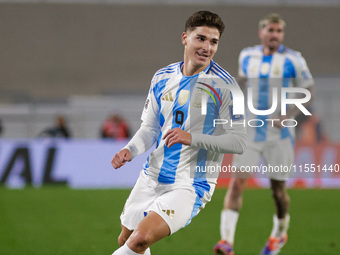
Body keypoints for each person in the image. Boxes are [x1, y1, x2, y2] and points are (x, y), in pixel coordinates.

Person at [110, 11, 247, 255]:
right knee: (127, 240)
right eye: (201, 39)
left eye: (213, 42)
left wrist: (191, 138)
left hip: (191, 183)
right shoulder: (162, 77)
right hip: (152, 175)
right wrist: (129, 150)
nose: (207, 47)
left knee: (139, 240)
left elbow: (239, 141)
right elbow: (149, 128)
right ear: (185, 38)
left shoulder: (227, 87)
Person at [213, 13, 314, 255]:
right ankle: (226, 241)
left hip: (279, 135)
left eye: (279, 31)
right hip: (249, 131)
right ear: (261, 33)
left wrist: (289, 115)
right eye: (270, 30)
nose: (274, 35)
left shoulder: (293, 60)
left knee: (278, 191)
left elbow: (308, 89)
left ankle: (279, 234)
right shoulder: (248, 56)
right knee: (236, 183)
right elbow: (242, 82)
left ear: (282, 35)